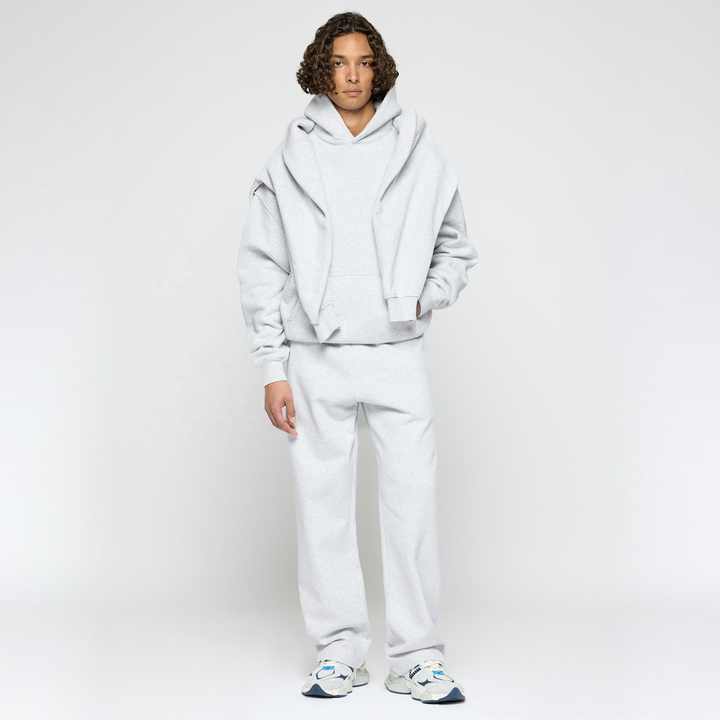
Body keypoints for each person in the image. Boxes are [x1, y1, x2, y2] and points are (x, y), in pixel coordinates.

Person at [237, 11, 478, 704]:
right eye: (340, 61)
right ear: (322, 67)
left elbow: (456, 246)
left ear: (380, 68)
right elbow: (261, 264)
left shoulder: (418, 147)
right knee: (323, 510)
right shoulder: (289, 156)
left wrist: (422, 297)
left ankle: (417, 655)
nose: (352, 74)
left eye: (364, 61)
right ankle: (338, 650)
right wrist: (272, 367)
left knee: (412, 507)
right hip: (316, 356)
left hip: (398, 352)